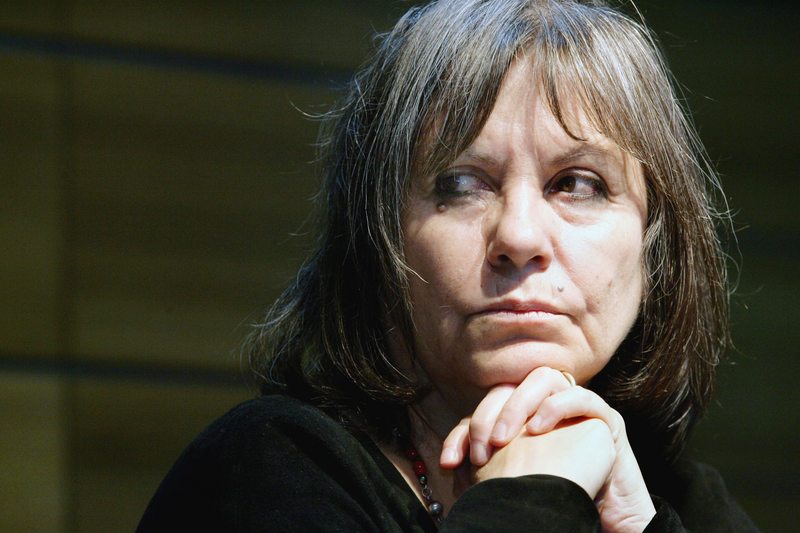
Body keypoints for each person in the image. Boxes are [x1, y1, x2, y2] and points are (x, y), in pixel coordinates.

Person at [138, 1, 759, 531]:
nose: (518, 237)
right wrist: (533, 500)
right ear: (380, 238)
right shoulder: (264, 471)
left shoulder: (685, 502)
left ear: (655, 246)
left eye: (577, 183)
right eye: (461, 184)